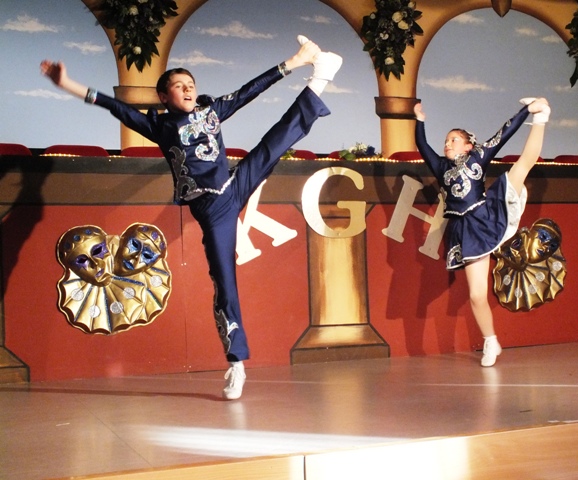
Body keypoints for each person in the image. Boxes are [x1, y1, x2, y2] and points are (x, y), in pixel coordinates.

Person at [42, 35, 342, 399]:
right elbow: (114, 106)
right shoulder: (160, 127)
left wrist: (293, 62)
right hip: (213, 211)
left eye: (191, 84)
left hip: (234, 183)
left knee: (276, 141)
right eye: (178, 86)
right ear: (163, 96)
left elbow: (249, 91)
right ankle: (236, 363)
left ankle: (321, 76)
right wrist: (66, 83)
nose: (187, 89)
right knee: (224, 282)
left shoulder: (210, 113)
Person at [413, 97, 550, 366]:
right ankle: (491, 341)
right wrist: (419, 120)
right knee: (476, 295)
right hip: (464, 231)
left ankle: (541, 116)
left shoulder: (477, 156)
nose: (447, 143)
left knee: (522, 166)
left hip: (485, 215)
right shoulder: (441, 167)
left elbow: (504, 133)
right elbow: (422, 145)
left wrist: (526, 110)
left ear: (468, 145)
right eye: (446, 140)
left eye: (454, 139)